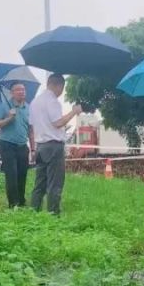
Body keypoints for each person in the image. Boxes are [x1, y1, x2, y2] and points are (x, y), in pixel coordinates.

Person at [29, 74, 82, 215]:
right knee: (55, 183)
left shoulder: (35, 102)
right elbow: (58, 122)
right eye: (62, 88)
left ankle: (33, 212)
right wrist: (73, 111)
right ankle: (53, 214)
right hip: (53, 146)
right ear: (58, 85)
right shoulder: (52, 101)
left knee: (39, 183)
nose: (61, 92)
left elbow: (32, 126)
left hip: (40, 146)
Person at [0, 82, 34, 209]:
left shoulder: (28, 108)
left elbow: (31, 129)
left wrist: (33, 148)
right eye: (18, 89)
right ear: (12, 93)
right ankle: (13, 204)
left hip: (22, 145)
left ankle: (21, 201)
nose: (21, 92)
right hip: (7, 145)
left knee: (22, 174)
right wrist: (8, 119)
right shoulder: (3, 107)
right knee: (12, 175)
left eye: (23, 89)